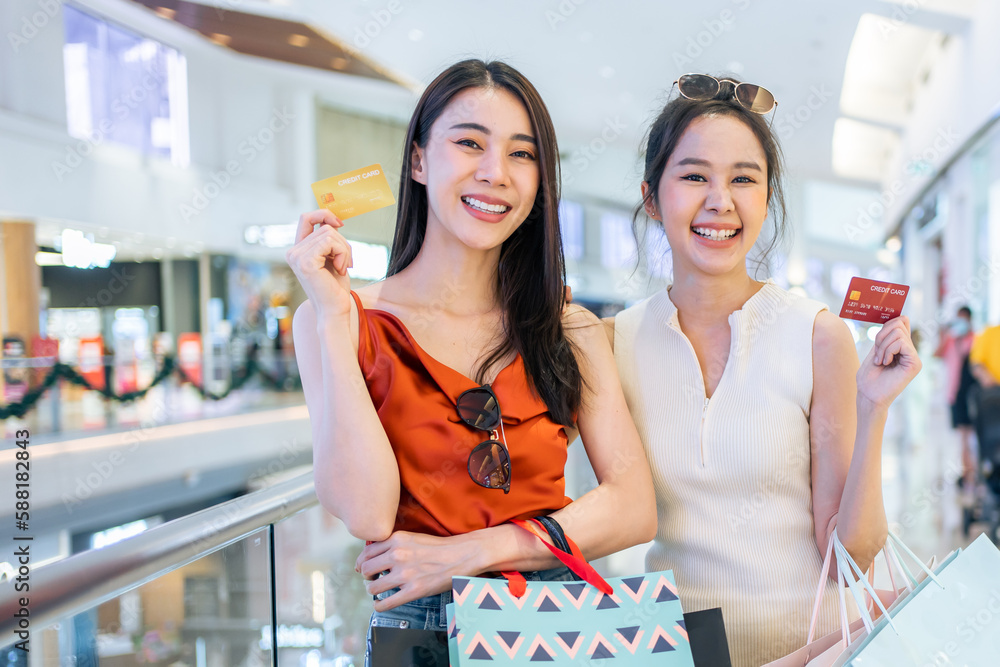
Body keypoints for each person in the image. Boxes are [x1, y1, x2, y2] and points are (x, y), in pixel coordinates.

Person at [286, 59, 656, 662]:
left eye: (522, 154)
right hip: (417, 636)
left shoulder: (566, 327)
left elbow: (634, 507)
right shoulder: (341, 319)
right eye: (469, 143)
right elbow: (367, 512)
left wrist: (471, 552)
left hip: (552, 625)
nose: (495, 173)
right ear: (419, 160)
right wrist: (332, 316)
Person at [606, 74, 922, 666]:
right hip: (680, 653)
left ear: (767, 196)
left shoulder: (816, 334)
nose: (720, 201)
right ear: (653, 198)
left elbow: (848, 554)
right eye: (694, 175)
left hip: (810, 652)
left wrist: (873, 406)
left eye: (743, 179)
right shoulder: (615, 341)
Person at [934, 306, 977, 496]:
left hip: (972, 396)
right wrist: (945, 334)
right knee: (963, 439)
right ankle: (968, 476)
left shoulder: (975, 340)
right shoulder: (951, 340)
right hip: (954, 394)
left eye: (963, 320)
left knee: (973, 438)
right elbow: (936, 354)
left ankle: (974, 475)